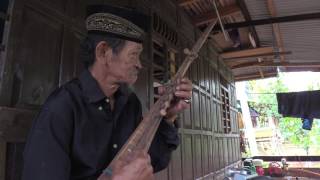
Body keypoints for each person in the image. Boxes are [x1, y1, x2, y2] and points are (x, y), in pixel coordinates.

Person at [22, 4, 192, 180]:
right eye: (134, 55)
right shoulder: (62, 107)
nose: (140, 64)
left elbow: (156, 160)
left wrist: (168, 117)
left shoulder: (129, 103)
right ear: (103, 52)